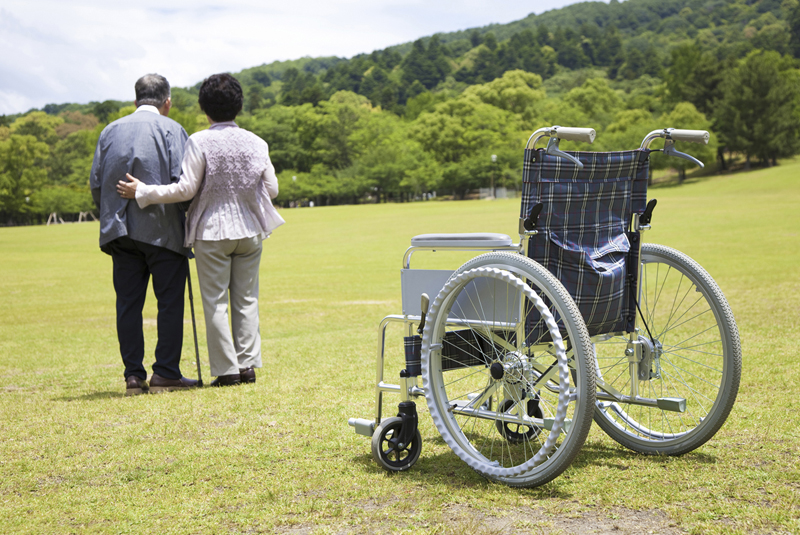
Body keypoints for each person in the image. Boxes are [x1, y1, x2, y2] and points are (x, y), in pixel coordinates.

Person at [117, 73, 284, 387]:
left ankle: (227, 370)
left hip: (212, 230)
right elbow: (272, 189)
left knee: (217, 301)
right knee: (247, 299)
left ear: (205, 109)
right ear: (239, 105)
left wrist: (145, 191)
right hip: (250, 230)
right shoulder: (257, 142)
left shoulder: (200, 140)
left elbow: (186, 189)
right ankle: (248, 366)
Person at [90, 73, 199, 396]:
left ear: (135, 100)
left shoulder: (110, 131)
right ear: (166, 102)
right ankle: (165, 372)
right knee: (169, 303)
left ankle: (133, 377)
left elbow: (97, 184)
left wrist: (112, 212)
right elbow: (185, 182)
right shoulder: (172, 129)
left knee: (127, 304)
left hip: (120, 231)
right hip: (164, 230)